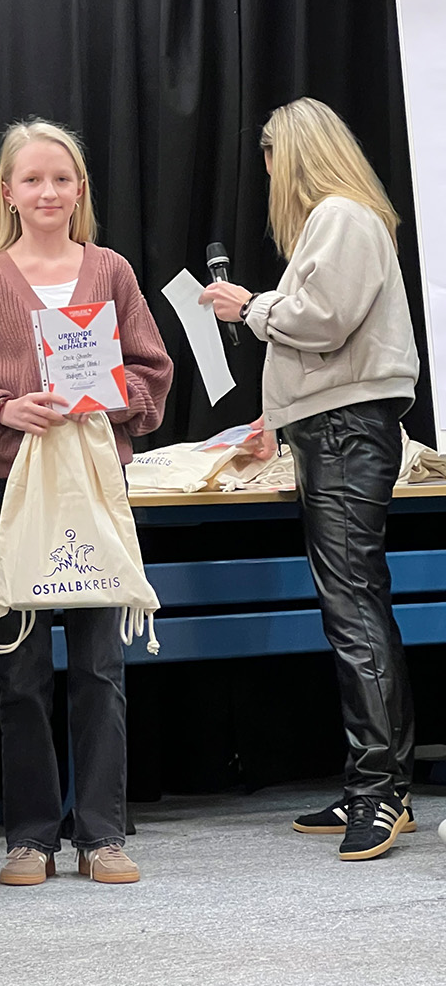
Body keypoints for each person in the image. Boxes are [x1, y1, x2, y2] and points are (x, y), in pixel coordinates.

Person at [0, 120, 172, 887]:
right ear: (8, 191)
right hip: (17, 486)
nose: (47, 191)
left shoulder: (110, 270)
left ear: (80, 190)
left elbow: (152, 370)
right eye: (32, 179)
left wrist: (111, 396)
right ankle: (30, 836)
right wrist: (5, 409)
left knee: (101, 665)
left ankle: (102, 833)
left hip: (96, 481)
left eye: (61, 178)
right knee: (22, 667)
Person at [201, 96, 419, 861]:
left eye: (269, 162)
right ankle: (377, 782)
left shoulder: (341, 216)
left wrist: (248, 305)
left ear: (287, 155)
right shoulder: (345, 218)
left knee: (353, 607)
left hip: (347, 431)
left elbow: (321, 319)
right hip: (335, 427)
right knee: (356, 603)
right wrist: (280, 415)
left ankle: (381, 791)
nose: (267, 178)